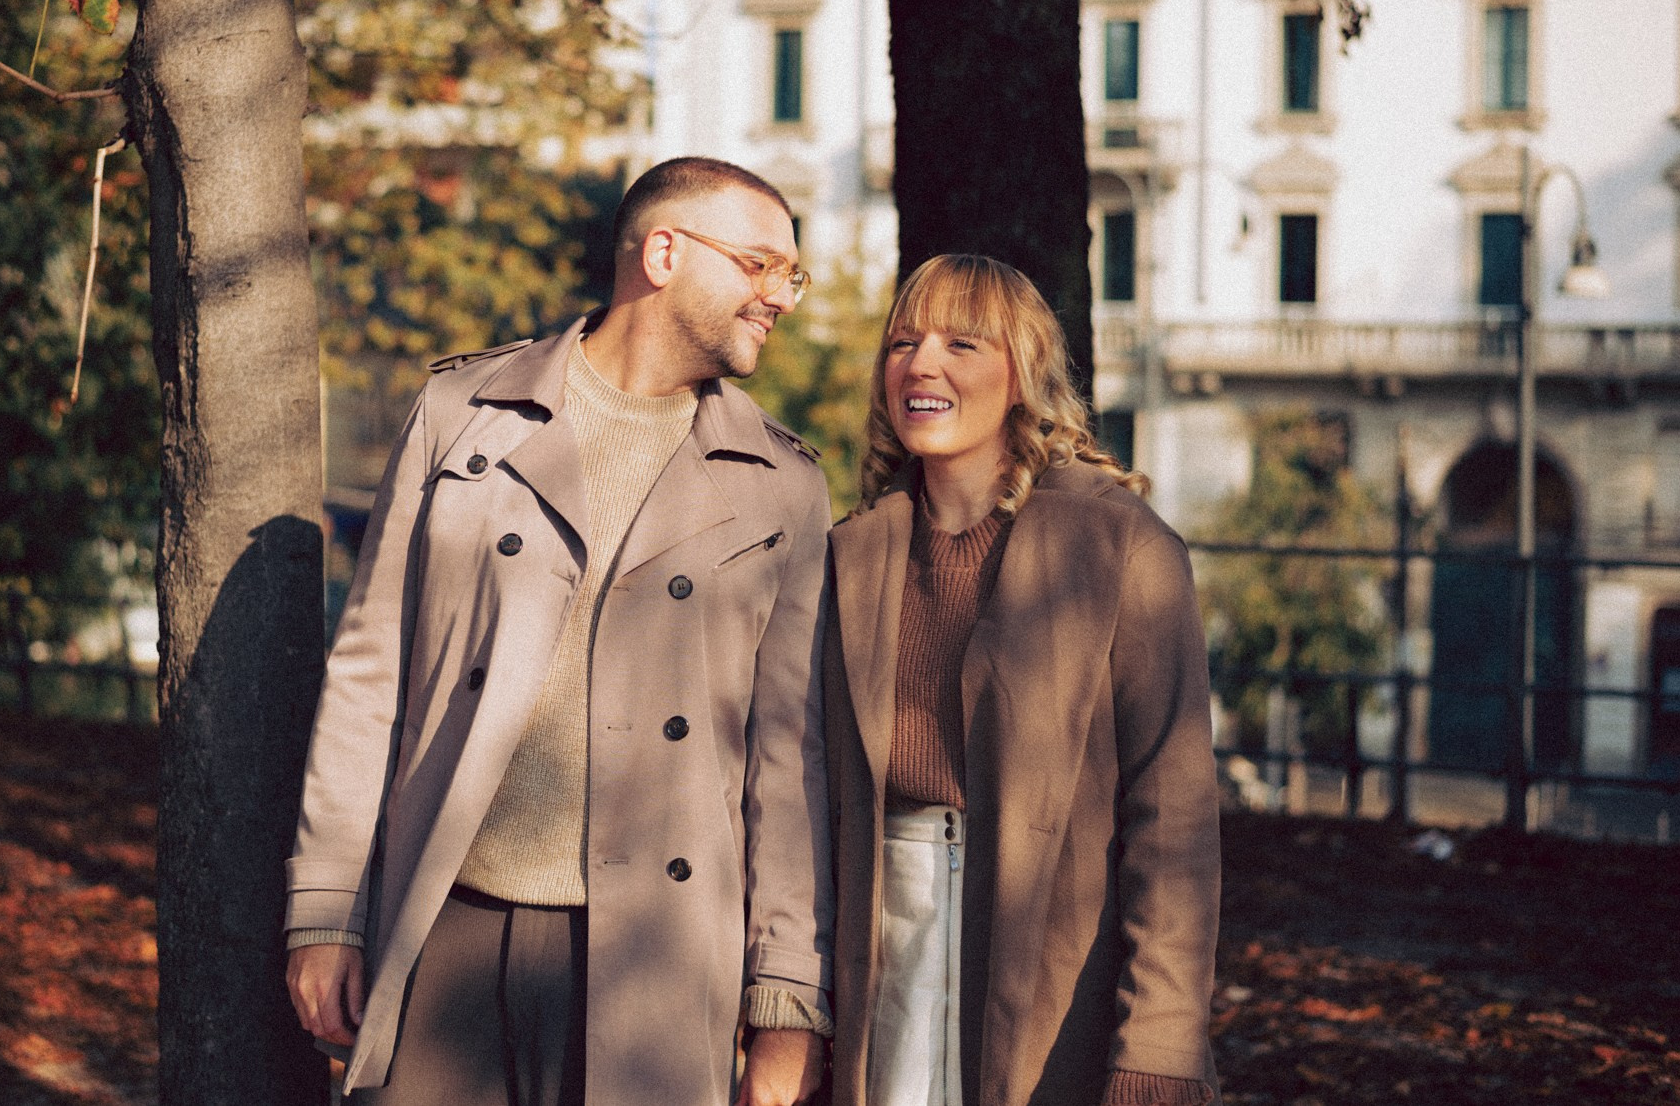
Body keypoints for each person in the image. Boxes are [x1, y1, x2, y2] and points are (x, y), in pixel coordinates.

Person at [284, 157, 834, 1106]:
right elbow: (372, 674)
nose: (779, 294)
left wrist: (785, 999)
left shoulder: (780, 482)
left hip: (657, 955)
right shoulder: (463, 414)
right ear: (664, 252)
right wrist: (326, 909)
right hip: (444, 919)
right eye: (758, 265)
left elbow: (788, 763)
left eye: (790, 272)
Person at [823, 255, 1221, 1106]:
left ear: (1022, 374)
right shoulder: (848, 555)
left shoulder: (1123, 547)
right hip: (878, 949)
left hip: (1055, 961)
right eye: (902, 342)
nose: (921, 364)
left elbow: (1173, 815)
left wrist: (1159, 1040)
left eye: (961, 343)